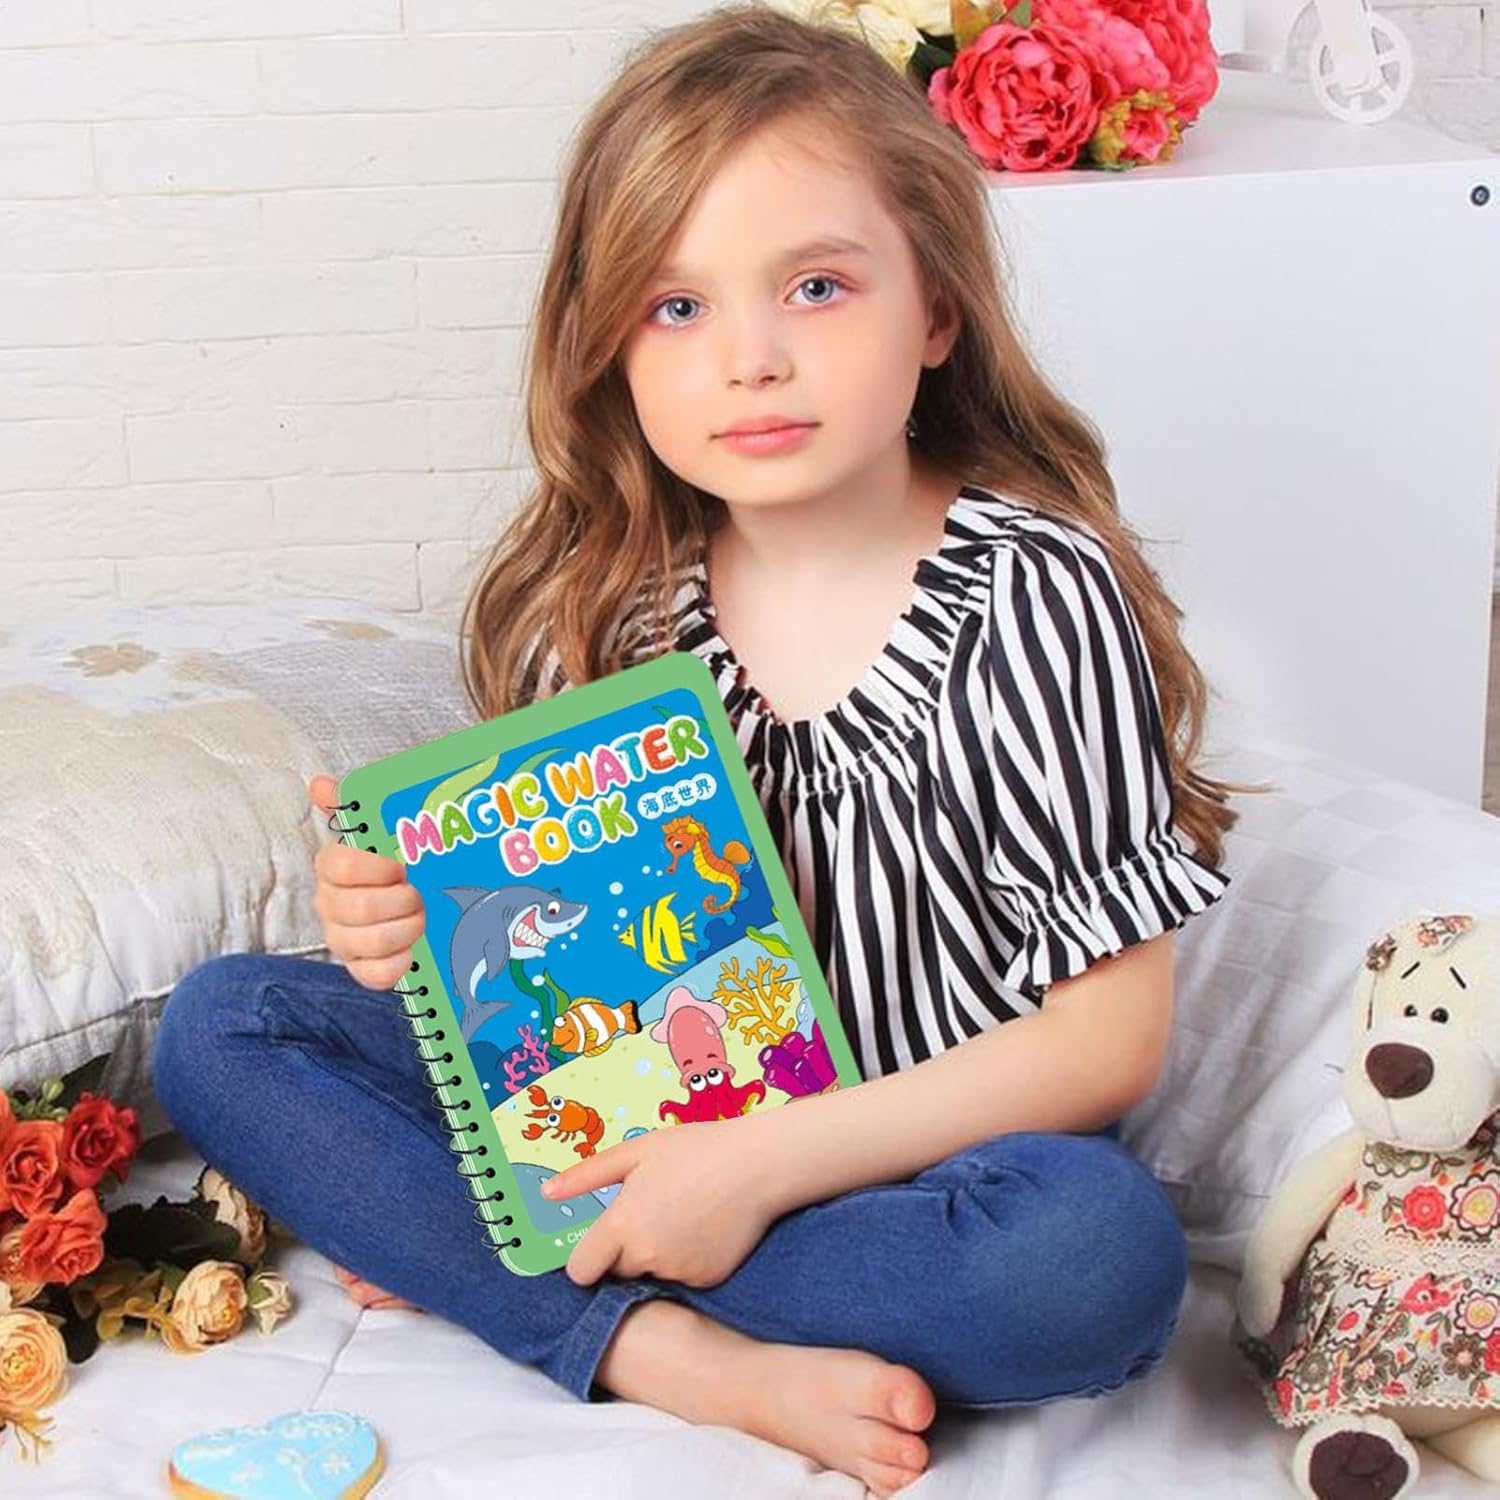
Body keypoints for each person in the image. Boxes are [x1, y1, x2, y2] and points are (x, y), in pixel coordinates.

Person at [153, 5, 1255, 1494]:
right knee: (224, 1027)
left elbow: (1107, 1042)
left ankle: (518, 1268)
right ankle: (657, 1350)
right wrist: (406, 930)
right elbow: (545, 988)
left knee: (1091, 1261)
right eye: (677, 307)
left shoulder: (1032, 594)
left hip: (919, 1171)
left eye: (817, 286)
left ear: (936, 311)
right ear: (610, 348)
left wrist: (753, 1168)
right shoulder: (616, 611)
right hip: (641, 1119)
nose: (752, 358)